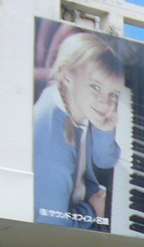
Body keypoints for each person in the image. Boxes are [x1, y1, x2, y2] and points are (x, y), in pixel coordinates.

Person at [34, 32, 124, 229]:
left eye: (113, 94)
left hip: (84, 200)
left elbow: (105, 161)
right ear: (67, 76)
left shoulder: (75, 102)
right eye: (95, 87)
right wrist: (92, 211)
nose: (105, 102)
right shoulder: (54, 149)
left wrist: (104, 129)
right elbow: (52, 224)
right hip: (72, 222)